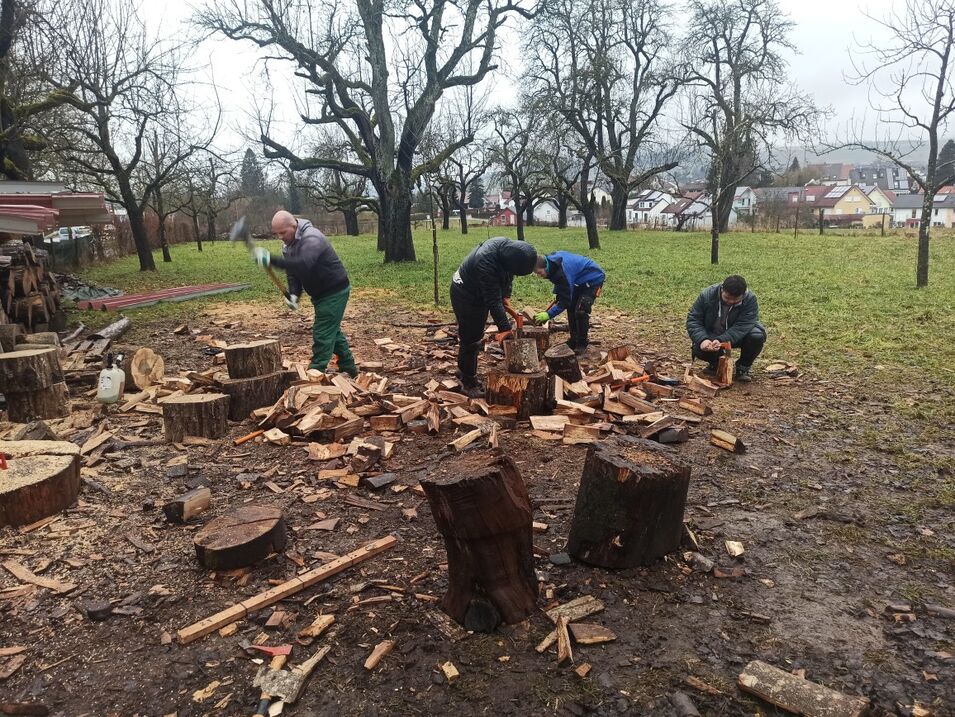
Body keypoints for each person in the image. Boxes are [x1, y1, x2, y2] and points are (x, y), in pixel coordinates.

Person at [252, 210, 358, 377]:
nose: (280, 237)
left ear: (293, 225)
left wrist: (271, 260)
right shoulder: (288, 245)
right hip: (319, 294)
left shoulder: (312, 238)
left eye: (283, 232)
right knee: (332, 331)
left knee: (322, 333)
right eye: (277, 233)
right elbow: (293, 273)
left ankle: (315, 371)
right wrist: (294, 294)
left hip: (334, 291)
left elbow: (302, 264)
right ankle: (349, 368)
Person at [450, 237, 538, 395]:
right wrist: (504, 328)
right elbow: (492, 300)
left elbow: (508, 275)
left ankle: (463, 370)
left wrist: (506, 295)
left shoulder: (508, 252)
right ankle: (468, 383)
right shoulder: (485, 261)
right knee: (472, 338)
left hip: (479, 289)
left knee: (473, 335)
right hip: (465, 293)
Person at [685, 274, 766, 382]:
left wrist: (721, 340)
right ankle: (716, 364)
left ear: (743, 294)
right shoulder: (707, 295)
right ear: (722, 289)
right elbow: (694, 319)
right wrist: (702, 339)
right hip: (712, 335)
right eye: (727, 298)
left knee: (756, 336)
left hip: (738, 336)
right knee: (699, 348)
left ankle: (743, 368)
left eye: (735, 299)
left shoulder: (750, 299)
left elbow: (742, 326)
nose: (730, 301)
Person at [533, 251, 605, 356]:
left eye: (539, 272)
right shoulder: (552, 264)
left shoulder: (563, 271)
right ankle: (574, 340)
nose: (539, 276)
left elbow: (564, 301)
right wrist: (559, 293)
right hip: (578, 280)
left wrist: (549, 314)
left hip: (593, 279)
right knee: (571, 308)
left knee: (581, 310)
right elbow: (560, 282)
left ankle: (582, 343)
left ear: (545, 267)